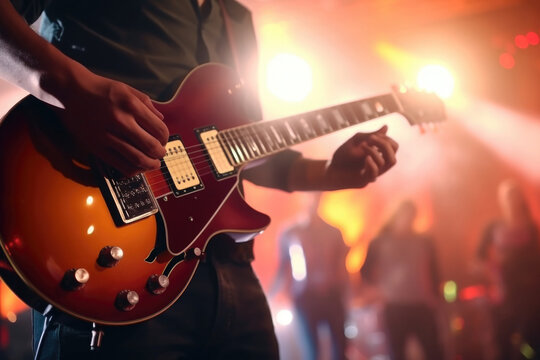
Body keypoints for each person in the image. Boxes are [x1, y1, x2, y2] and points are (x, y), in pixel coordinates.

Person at [0, 1, 399, 358]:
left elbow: (235, 146)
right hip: (110, 262)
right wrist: (72, 88)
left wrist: (328, 172)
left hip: (230, 271)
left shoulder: (235, 18)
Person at [270, 193, 349, 360]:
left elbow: (342, 265)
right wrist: (274, 294)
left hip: (332, 294)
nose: (313, 201)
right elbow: (283, 265)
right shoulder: (290, 232)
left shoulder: (334, 232)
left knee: (340, 347)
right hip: (305, 296)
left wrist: (348, 291)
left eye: (316, 196)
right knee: (312, 349)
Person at [361, 200, 443, 360]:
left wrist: (435, 297)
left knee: (434, 351)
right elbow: (364, 271)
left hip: (421, 304)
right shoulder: (379, 242)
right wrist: (377, 292)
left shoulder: (424, 241)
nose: (407, 220)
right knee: (397, 353)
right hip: (394, 306)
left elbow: (435, 272)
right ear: (396, 216)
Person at [477, 180, 540, 360]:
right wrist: (494, 272)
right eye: (508, 197)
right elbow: (478, 259)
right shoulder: (493, 227)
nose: (511, 201)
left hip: (530, 295)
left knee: (530, 343)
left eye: (515, 196)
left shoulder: (530, 227)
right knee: (503, 341)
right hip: (503, 294)